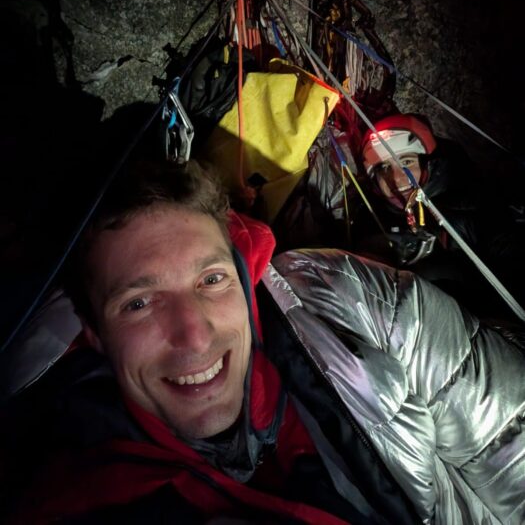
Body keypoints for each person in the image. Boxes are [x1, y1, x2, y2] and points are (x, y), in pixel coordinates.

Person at [3, 159, 525, 525]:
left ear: (240, 273)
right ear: (95, 334)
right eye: (139, 303)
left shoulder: (347, 298)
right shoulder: (70, 489)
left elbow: (510, 435)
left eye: (211, 280)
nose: (195, 335)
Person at [353, 112, 525, 320]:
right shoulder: (372, 218)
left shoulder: (474, 204)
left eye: (406, 162)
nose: (397, 179)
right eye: (384, 168)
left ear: (429, 163)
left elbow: (513, 263)